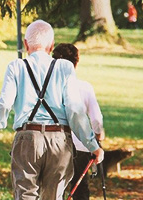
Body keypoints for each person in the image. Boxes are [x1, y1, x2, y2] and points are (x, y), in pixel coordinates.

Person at [0, 20, 105, 200]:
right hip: (59, 141)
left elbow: (4, 104)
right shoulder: (65, 68)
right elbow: (75, 110)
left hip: (27, 139)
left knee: (25, 195)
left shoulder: (16, 67)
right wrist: (92, 146)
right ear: (51, 46)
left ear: (26, 44)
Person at [52, 43, 105, 200]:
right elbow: (96, 118)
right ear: (76, 62)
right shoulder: (84, 87)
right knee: (80, 187)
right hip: (81, 145)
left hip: (54, 144)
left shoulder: (49, 87)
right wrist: (98, 134)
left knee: (54, 187)